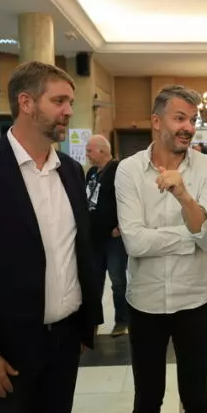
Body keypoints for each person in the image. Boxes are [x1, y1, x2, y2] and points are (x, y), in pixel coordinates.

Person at [0, 61, 103, 412]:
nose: (68, 111)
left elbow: (79, 252)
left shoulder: (71, 172)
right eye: (58, 101)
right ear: (25, 102)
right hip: (3, 351)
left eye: (70, 102)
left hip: (64, 343)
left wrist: (83, 326)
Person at [115, 85, 207, 413]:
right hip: (145, 302)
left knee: (196, 397)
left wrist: (184, 197)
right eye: (179, 118)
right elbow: (134, 242)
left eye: (192, 120)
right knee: (147, 399)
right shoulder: (129, 170)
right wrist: (190, 237)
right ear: (156, 121)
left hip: (194, 300)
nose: (188, 127)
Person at [85, 134, 129, 337]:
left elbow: (127, 199)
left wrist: (121, 225)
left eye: (89, 150)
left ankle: (122, 321)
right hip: (94, 237)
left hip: (113, 239)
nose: (86, 154)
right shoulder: (92, 172)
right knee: (94, 282)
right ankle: (93, 322)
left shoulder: (118, 170)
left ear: (102, 151)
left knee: (118, 281)